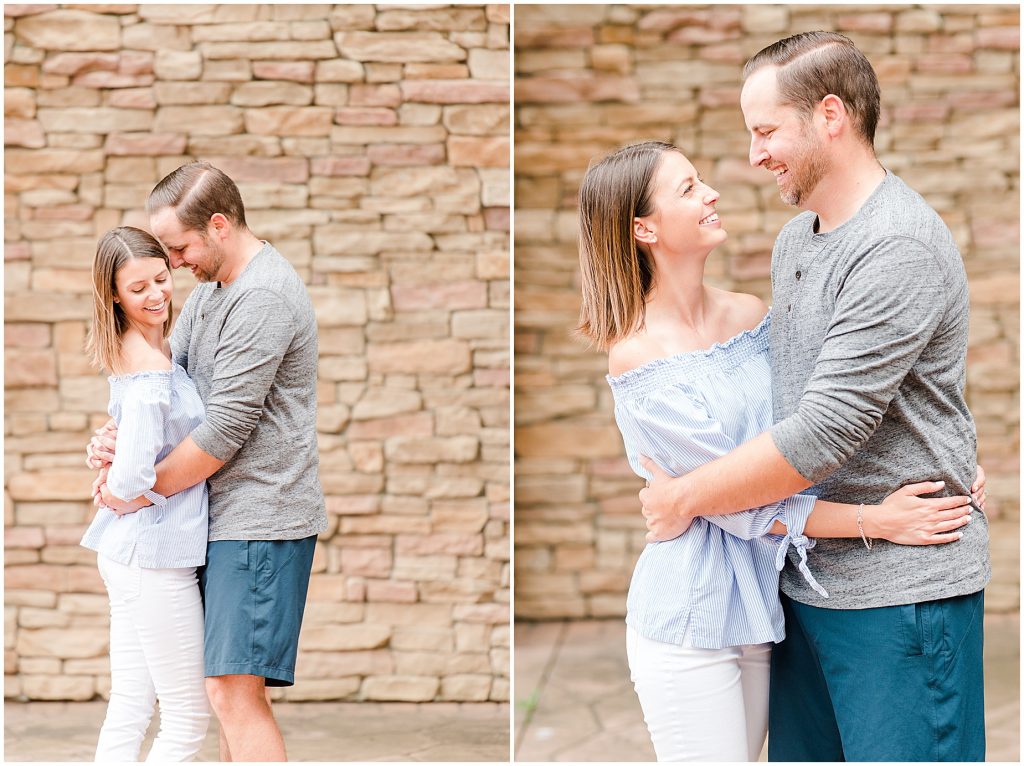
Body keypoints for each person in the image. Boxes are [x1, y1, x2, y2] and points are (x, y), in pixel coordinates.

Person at [638, 32, 990, 761]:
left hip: (901, 596)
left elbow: (823, 432)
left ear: (830, 116)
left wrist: (684, 497)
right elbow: (798, 396)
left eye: (766, 131)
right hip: (803, 588)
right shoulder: (797, 242)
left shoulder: (898, 245)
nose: (755, 156)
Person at [87, 162, 328, 762]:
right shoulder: (214, 294)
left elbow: (225, 428)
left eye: (179, 247)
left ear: (218, 226)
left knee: (229, 694)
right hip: (211, 521)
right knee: (222, 694)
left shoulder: (263, 296)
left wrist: (135, 491)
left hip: (259, 519)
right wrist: (115, 441)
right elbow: (174, 392)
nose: (175, 264)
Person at [81, 227, 209, 761]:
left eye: (161, 278)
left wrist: (114, 468)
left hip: (136, 554)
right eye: (139, 288)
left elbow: (132, 447)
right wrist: (124, 494)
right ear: (113, 294)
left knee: (132, 701)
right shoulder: (151, 368)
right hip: (153, 558)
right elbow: (131, 476)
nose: (157, 294)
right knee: (187, 716)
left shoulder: (149, 352)